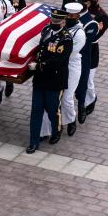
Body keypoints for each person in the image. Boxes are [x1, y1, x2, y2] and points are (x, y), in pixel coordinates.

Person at [26, 9, 73, 154]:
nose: (53, 24)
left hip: (55, 80)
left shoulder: (66, 39)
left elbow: (59, 60)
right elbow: (40, 50)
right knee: (36, 111)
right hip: (40, 79)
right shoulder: (46, 30)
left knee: (52, 110)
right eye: (52, 22)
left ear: (63, 22)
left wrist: (39, 65)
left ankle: (56, 129)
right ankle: (33, 142)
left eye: (57, 23)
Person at [40, 1, 86, 137]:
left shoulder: (79, 33)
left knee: (66, 97)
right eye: (68, 16)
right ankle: (54, 124)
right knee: (55, 98)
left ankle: (71, 119)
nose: (70, 18)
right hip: (57, 65)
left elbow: (69, 53)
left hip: (71, 66)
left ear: (78, 16)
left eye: (73, 16)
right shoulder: (59, 27)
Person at [72, 0, 100, 124]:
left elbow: (83, 44)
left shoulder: (91, 23)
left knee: (82, 84)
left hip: (82, 58)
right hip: (70, 57)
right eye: (78, 1)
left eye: (82, 2)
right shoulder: (70, 18)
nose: (79, 3)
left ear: (88, 4)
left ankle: (81, 105)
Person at [84, 0, 108, 115]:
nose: (90, 0)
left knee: (88, 79)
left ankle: (90, 100)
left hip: (91, 50)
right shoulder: (82, 10)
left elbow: (95, 36)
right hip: (79, 49)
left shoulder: (102, 16)